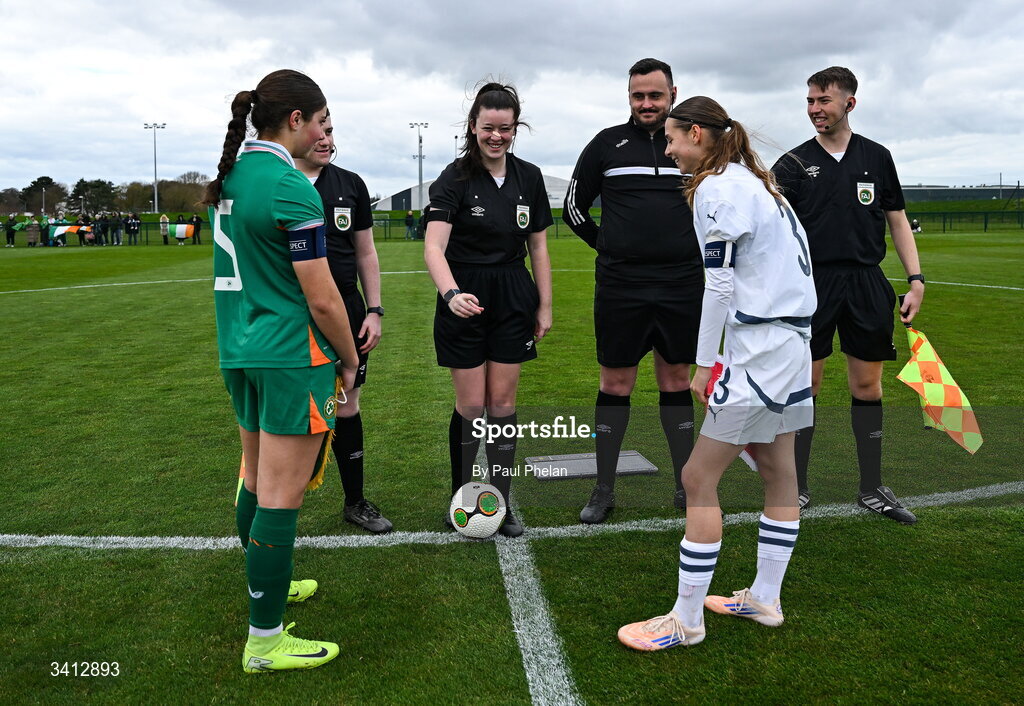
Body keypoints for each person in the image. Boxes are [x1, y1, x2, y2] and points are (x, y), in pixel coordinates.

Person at [619, 96, 816, 651]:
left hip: (759, 351)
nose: (669, 148)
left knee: (697, 478)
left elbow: (721, 285)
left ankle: (686, 620)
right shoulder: (758, 183)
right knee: (779, 470)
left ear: (699, 134)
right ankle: (765, 597)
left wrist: (705, 364)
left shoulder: (717, 188)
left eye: (674, 138)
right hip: (792, 344)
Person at [203, 68, 359, 673]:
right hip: (293, 355)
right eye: (320, 121)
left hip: (239, 349)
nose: (323, 132)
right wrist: (350, 358)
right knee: (280, 495)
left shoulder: (232, 175)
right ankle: (264, 640)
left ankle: (265, 582)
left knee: (254, 474)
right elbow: (323, 298)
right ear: (295, 120)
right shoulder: (293, 187)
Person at [772, 67, 924, 523]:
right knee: (807, 387)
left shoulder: (877, 157)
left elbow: (896, 218)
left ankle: (872, 487)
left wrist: (915, 279)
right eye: (811, 101)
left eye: (824, 101)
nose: (815, 109)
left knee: (867, 385)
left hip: (865, 282)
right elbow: (774, 231)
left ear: (849, 104)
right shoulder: (793, 163)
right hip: (809, 285)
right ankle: (796, 487)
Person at [563, 58, 704, 523]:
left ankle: (686, 486)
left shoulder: (691, 146)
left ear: (673, 94)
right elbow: (572, 207)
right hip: (622, 287)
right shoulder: (607, 144)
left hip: (682, 285)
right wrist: (609, 245)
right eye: (638, 96)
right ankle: (604, 488)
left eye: (655, 95)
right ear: (629, 97)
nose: (647, 104)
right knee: (615, 384)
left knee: (676, 381)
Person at [424, 81, 553, 537]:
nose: (497, 136)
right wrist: (450, 294)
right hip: (466, 297)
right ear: (473, 127)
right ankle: (462, 500)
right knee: (472, 404)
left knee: (502, 404)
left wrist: (544, 304)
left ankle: (498, 501)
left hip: (513, 294)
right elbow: (434, 247)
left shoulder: (530, 177)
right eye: (488, 128)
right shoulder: (454, 177)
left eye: (505, 128)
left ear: (515, 127)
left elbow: (538, 246)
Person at [295, 112, 392, 533]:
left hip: (348, 315)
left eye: (332, 132)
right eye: (321, 131)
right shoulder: (281, 184)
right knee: (295, 407)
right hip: (294, 316)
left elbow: (366, 253)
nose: (326, 140)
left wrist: (374, 310)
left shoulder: (351, 185)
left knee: (347, 403)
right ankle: (284, 499)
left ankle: (355, 502)